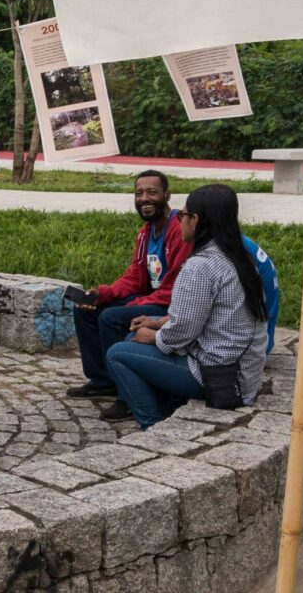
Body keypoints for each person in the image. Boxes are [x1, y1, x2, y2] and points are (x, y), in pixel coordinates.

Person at [104, 183, 273, 429]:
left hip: (220, 377)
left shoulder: (200, 265)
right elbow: (204, 315)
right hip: (243, 372)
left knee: (118, 354)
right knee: (134, 338)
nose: (179, 221)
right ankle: (168, 408)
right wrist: (158, 322)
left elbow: (183, 331)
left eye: (181, 215)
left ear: (195, 220)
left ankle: (154, 427)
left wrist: (155, 336)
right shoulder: (240, 256)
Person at [67, 169, 190, 418]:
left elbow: (173, 289)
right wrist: (102, 294)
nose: (144, 198)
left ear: (167, 195)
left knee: (111, 317)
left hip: (172, 304)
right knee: (86, 311)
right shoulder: (146, 233)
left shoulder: (178, 229)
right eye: (138, 193)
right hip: (153, 299)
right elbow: (134, 277)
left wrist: (133, 304)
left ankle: (128, 396)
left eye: (152, 192)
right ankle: (103, 381)